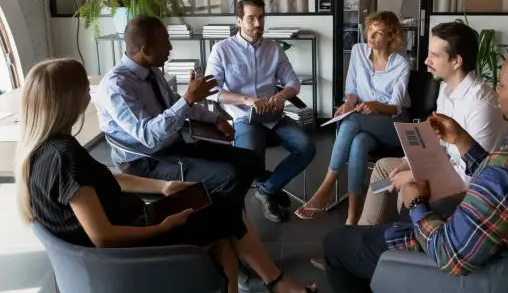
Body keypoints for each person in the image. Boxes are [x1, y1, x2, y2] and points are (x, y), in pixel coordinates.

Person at [14, 58, 317, 293]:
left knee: (222, 214)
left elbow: (105, 179)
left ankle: (268, 281)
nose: (89, 94)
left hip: (125, 232)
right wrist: (163, 226)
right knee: (225, 212)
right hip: (127, 252)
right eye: (84, 88)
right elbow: (103, 237)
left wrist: (164, 186)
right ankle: (277, 282)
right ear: (68, 98)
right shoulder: (64, 156)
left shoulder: (42, 151)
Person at [322, 37, 508, 292]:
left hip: (461, 266)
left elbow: (450, 256)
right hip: (506, 258)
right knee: (391, 216)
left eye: (503, 85)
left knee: (336, 244)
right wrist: (462, 141)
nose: (497, 89)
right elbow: (506, 188)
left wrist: (416, 202)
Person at [96, 16, 264, 210]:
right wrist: (188, 99)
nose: (170, 47)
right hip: (145, 162)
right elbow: (148, 137)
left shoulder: (152, 71)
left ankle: (227, 219)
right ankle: (214, 227)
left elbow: (174, 102)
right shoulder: (116, 86)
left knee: (250, 161)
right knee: (228, 176)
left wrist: (215, 118)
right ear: (146, 50)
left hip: (173, 147)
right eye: (165, 42)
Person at [358, 21, 508, 227]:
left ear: (456, 61)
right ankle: (364, 232)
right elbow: (438, 145)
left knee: (409, 185)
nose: (426, 61)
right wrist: (409, 162)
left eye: (435, 55)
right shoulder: (446, 89)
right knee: (383, 168)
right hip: (447, 167)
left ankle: (400, 242)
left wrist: (415, 173)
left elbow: (476, 175)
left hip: (472, 187)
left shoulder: (481, 105)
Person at [205, 0, 316, 223]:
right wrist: (247, 100)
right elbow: (211, 90)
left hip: (272, 116)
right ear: (239, 21)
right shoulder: (222, 50)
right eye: (251, 18)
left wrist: (282, 95)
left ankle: (267, 190)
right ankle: (267, 187)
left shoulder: (274, 48)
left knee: (307, 147)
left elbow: (293, 82)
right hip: (242, 117)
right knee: (250, 160)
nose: (258, 23)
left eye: (261, 17)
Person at [294, 11, 410, 225]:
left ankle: (326, 187)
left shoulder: (401, 64)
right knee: (358, 143)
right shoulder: (358, 52)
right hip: (364, 122)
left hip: (391, 125)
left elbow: (396, 106)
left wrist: (375, 106)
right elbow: (352, 88)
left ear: (391, 37)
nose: (371, 37)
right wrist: (349, 103)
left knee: (351, 121)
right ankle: (352, 216)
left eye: (379, 33)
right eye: (370, 31)